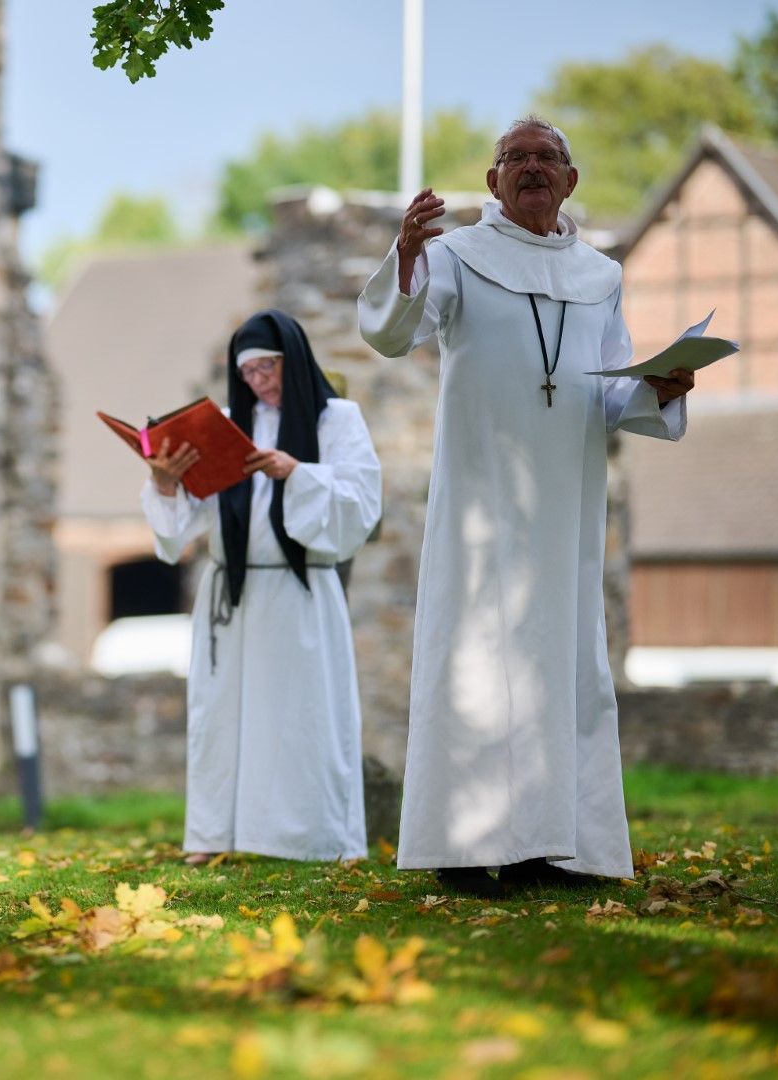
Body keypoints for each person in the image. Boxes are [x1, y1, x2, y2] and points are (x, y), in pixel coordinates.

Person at [357, 117, 695, 899]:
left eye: (547, 157)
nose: (532, 168)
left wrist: (660, 388)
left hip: (564, 504)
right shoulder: (457, 256)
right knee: (475, 661)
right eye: (515, 157)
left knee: (561, 662)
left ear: (571, 180)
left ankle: (555, 846)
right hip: (480, 502)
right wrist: (405, 256)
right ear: (493, 181)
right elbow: (393, 334)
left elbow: (610, 389)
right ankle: (463, 847)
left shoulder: (600, 275)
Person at [142, 310, 382, 864]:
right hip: (233, 594)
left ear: (292, 361)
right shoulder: (228, 426)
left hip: (300, 593)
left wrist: (296, 473)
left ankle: (316, 837)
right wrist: (166, 483)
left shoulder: (337, 421)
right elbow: (187, 523)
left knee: (304, 717)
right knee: (220, 719)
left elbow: (362, 504)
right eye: (247, 373)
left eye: (267, 368)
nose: (258, 382)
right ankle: (214, 835)